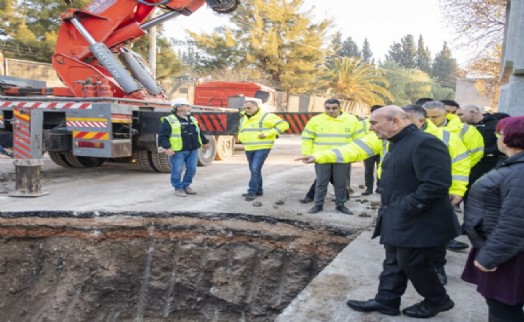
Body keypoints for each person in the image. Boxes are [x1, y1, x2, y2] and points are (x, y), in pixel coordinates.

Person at [299, 106, 460, 318]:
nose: (371, 127)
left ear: (395, 122)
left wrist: (407, 208)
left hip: (417, 219)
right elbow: (356, 149)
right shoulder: (395, 143)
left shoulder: (425, 143)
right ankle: (387, 301)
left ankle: (438, 300)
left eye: (375, 123)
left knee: (412, 262)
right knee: (393, 261)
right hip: (396, 214)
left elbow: (436, 184)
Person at [461, 116, 524, 322]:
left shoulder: (519, 172)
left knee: (503, 307)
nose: (496, 138)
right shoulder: (514, 166)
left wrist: (491, 256)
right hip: (504, 249)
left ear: (510, 138)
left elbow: (516, 223)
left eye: (498, 133)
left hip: (508, 254)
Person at [403, 104, 471, 285]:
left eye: (435, 117)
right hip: (403, 193)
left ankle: (437, 266)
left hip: (435, 194)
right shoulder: (393, 136)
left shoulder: (447, 138)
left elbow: (460, 165)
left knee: (436, 234)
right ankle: (406, 267)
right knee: (404, 234)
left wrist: (457, 190)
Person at [422, 100, 484, 253]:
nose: (430, 121)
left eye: (435, 117)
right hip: (424, 181)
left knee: (444, 213)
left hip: (450, 181)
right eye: (427, 117)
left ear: (445, 114)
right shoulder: (418, 128)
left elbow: (474, 154)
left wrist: (454, 176)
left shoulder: (465, 130)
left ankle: (446, 242)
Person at [301, 98, 363, 215]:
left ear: (340, 107)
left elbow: (358, 139)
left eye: (334, 108)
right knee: (321, 183)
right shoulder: (316, 120)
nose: (330, 111)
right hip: (321, 158)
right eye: (327, 108)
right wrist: (307, 154)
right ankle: (318, 205)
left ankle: (340, 205)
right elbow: (307, 138)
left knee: (341, 184)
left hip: (342, 157)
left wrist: (356, 155)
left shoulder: (352, 120)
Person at [238, 98, 289, 201]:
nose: (247, 110)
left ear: (257, 107)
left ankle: (251, 191)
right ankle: (259, 189)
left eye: (249, 108)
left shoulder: (266, 116)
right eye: (245, 108)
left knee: (255, 168)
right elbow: (242, 131)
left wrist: (267, 134)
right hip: (249, 147)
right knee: (254, 169)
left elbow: (284, 125)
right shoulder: (243, 118)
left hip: (262, 147)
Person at [158, 98, 209, 197]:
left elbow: (199, 132)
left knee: (192, 169)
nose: (189, 108)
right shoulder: (170, 120)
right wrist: (167, 147)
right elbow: (163, 136)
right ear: (179, 107)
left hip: (193, 149)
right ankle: (178, 188)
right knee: (177, 170)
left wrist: (205, 141)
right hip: (178, 151)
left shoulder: (193, 119)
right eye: (187, 106)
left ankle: (186, 186)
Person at [456, 105, 507, 202]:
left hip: (489, 167)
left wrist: (481, 152)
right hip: (469, 168)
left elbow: (501, 145)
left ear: (472, 112)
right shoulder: (464, 127)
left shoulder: (495, 125)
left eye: (461, 114)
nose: (459, 117)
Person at [361, 105, 383, 196]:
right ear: (371, 112)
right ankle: (368, 189)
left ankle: (380, 188)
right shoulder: (364, 123)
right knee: (368, 170)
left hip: (381, 150)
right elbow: (360, 136)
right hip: (368, 151)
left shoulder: (385, 123)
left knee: (381, 170)